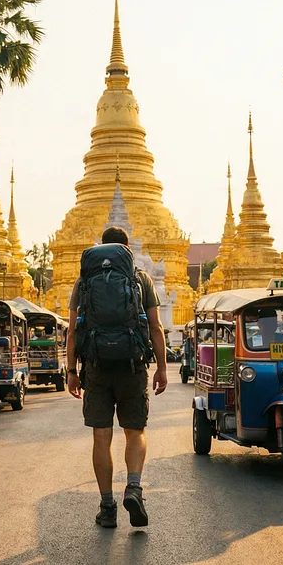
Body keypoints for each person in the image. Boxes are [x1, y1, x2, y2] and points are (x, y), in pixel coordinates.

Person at [66, 226, 167, 529]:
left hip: (96, 367)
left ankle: (107, 506)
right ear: (127, 249)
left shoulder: (83, 282)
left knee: (101, 436)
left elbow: (72, 331)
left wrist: (71, 372)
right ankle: (134, 487)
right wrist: (162, 367)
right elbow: (155, 327)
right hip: (132, 365)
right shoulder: (140, 279)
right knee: (134, 431)